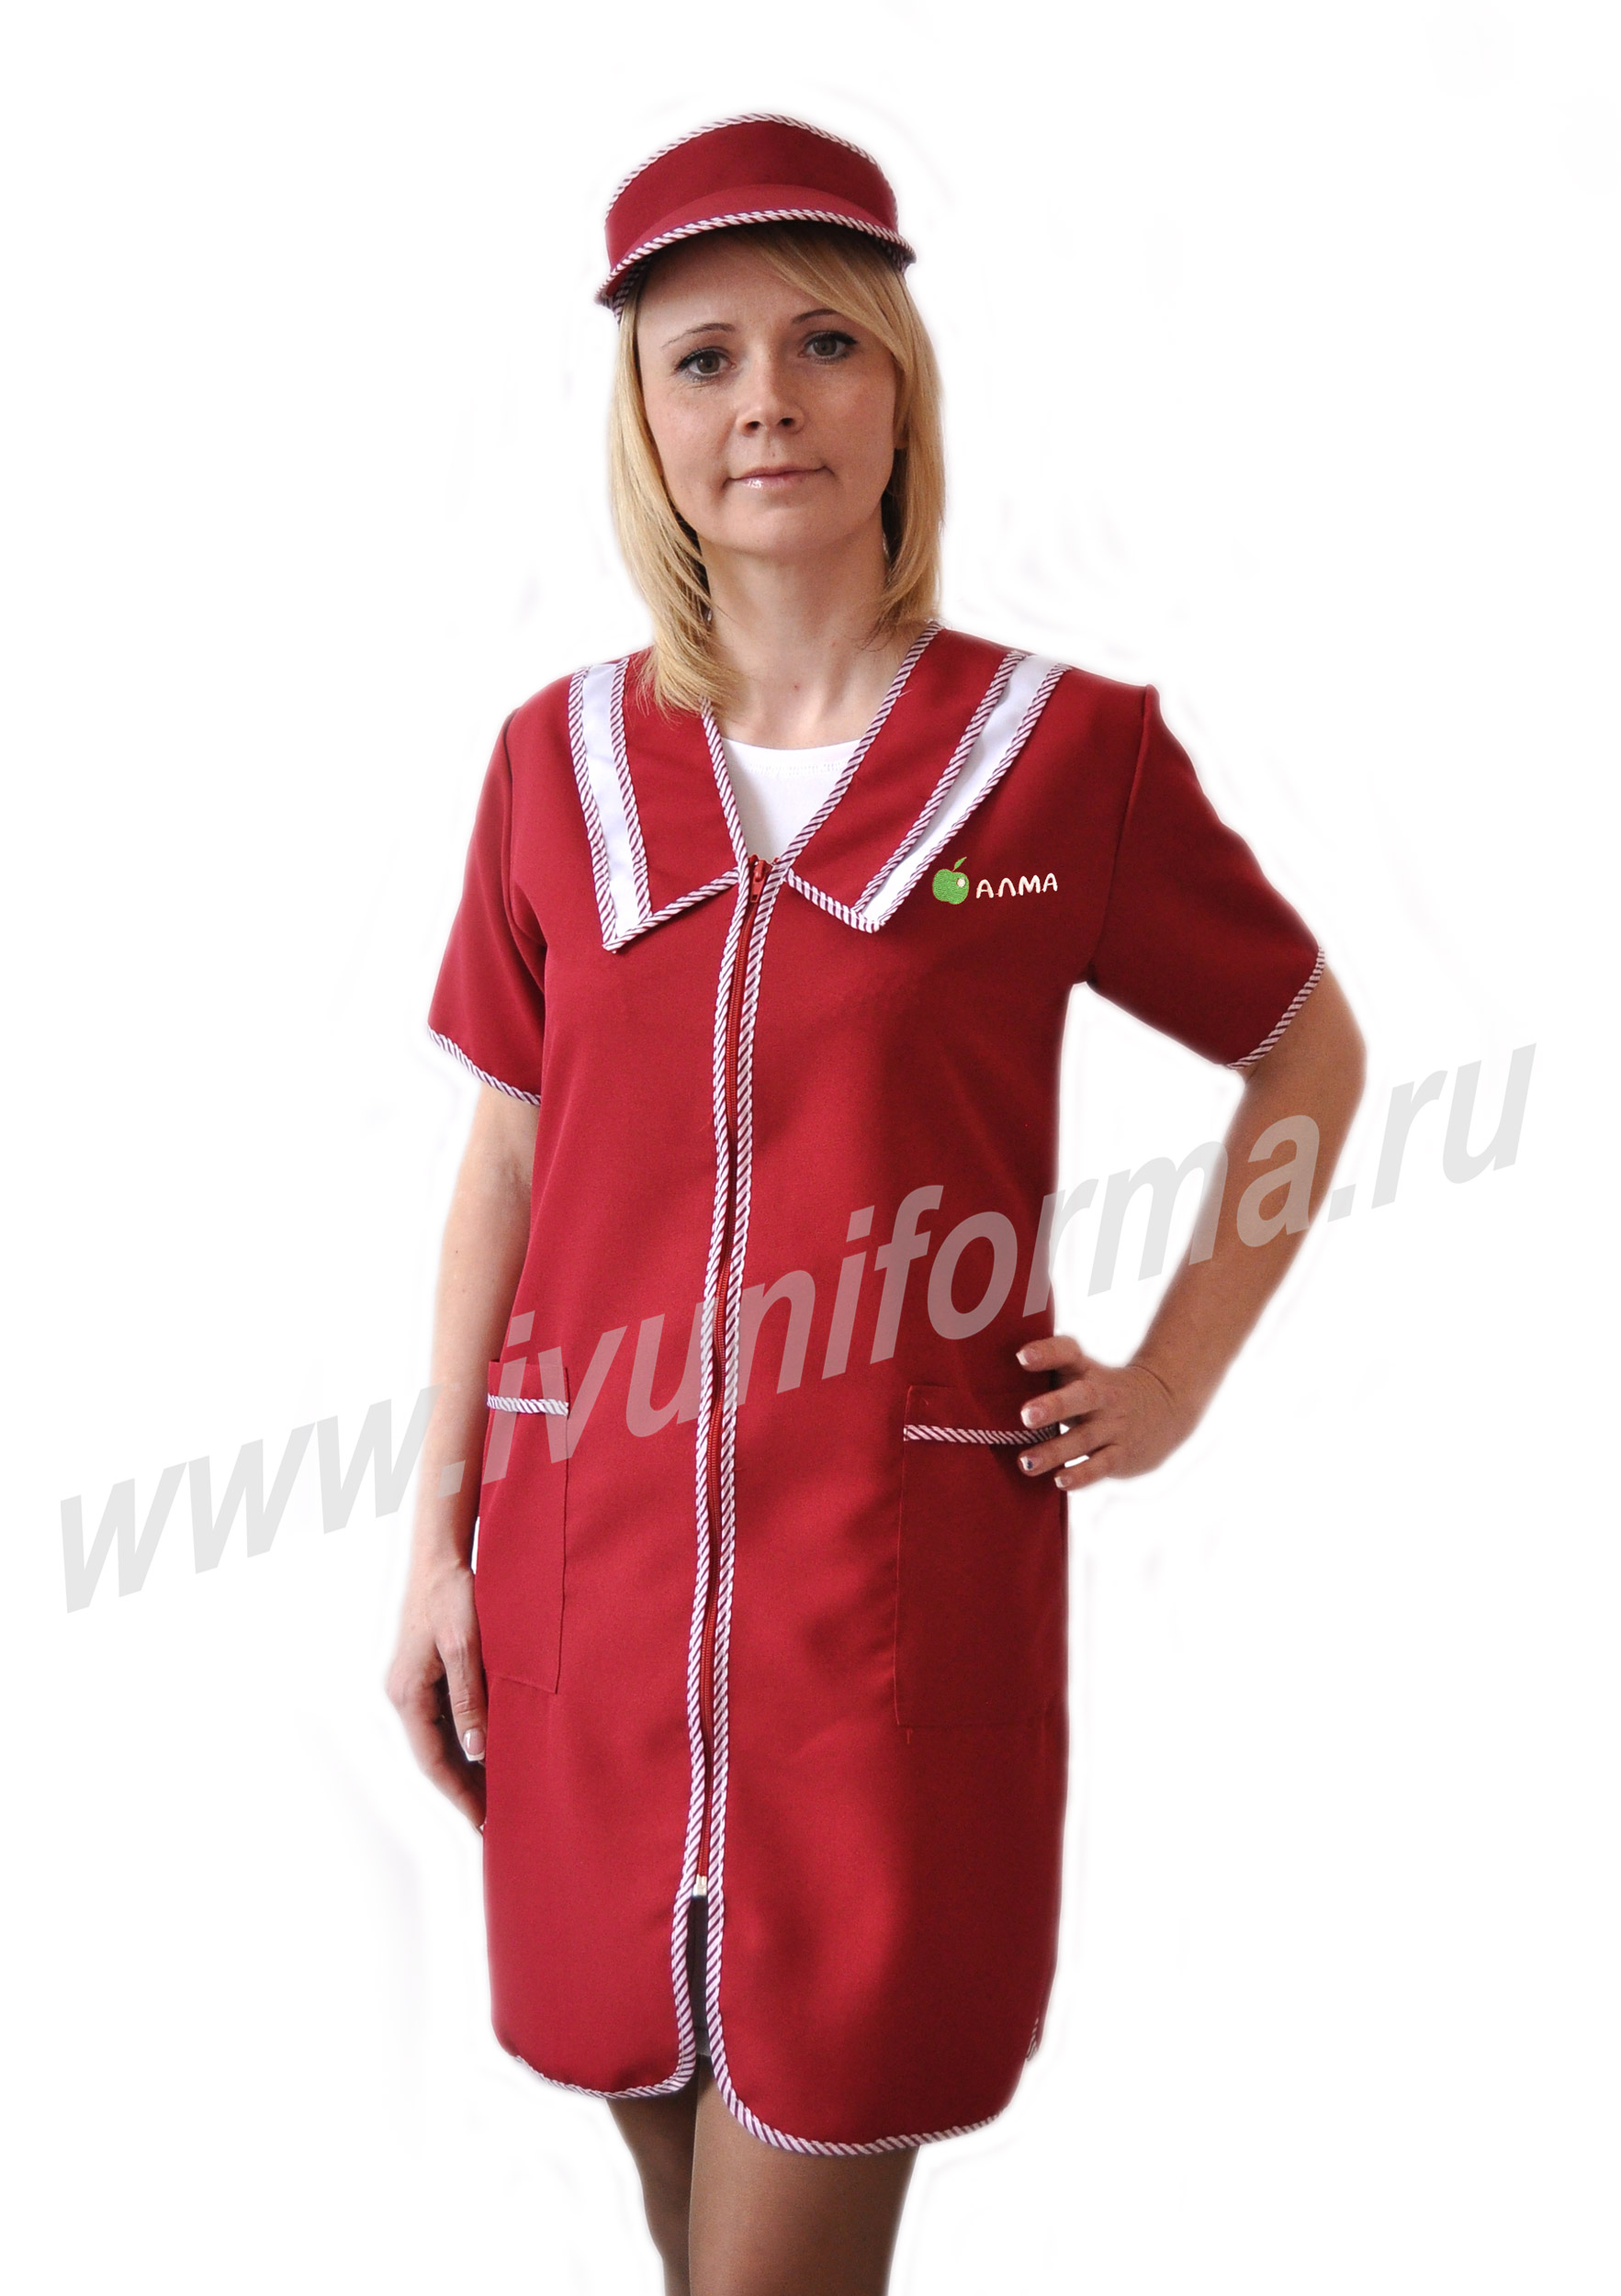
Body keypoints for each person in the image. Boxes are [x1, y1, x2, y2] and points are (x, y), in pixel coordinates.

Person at [386, 113, 1366, 2296]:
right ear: (644, 419)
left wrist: (1175, 1375)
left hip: (884, 1623)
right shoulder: (551, 766)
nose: (768, 403)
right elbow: (508, 1159)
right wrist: (435, 1539)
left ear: (902, 387)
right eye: (705, 358)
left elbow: (1308, 1046)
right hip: (585, 1612)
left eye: (825, 343)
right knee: (686, 2237)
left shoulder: (1065, 757)